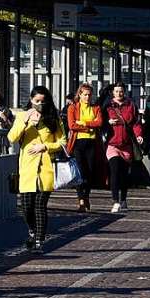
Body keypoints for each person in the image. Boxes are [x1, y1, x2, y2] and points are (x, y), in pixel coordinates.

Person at [7, 86, 64, 253]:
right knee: (26, 207)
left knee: (40, 205)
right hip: (27, 167)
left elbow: (63, 143)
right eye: (36, 101)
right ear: (31, 100)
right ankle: (32, 231)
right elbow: (12, 137)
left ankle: (40, 240)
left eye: (42, 101)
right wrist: (26, 123)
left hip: (46, 167)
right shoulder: (22, 116)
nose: (39, 104)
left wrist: (45, 146)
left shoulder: (54, 118)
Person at [102, 82, 144, 213]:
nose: (119, 94)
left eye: (121, 91)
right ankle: (115, 201)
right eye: (116, 91)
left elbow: (136, 123)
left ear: (124, 92)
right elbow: (100, 121)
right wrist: (107, 123)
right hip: (112, 144)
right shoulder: (107, 106)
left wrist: (139, 135)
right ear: (112, 93)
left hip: (126, 145)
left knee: (124, 174)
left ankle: (124, 199)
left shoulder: (130, 105)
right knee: (114, 171)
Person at [66, 83, 102, 211]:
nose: (87, 97)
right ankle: (81, 199)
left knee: (90, 171)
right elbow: (72, 125)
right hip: (78, 143)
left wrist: (84, 123)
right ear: (79, 95)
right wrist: (88, 128)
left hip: (92, 143)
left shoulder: (95, 108)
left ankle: (86, 196)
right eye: (85, 94)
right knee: (80, 172)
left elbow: (99, 122)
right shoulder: (73, 108)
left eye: (89, 95)